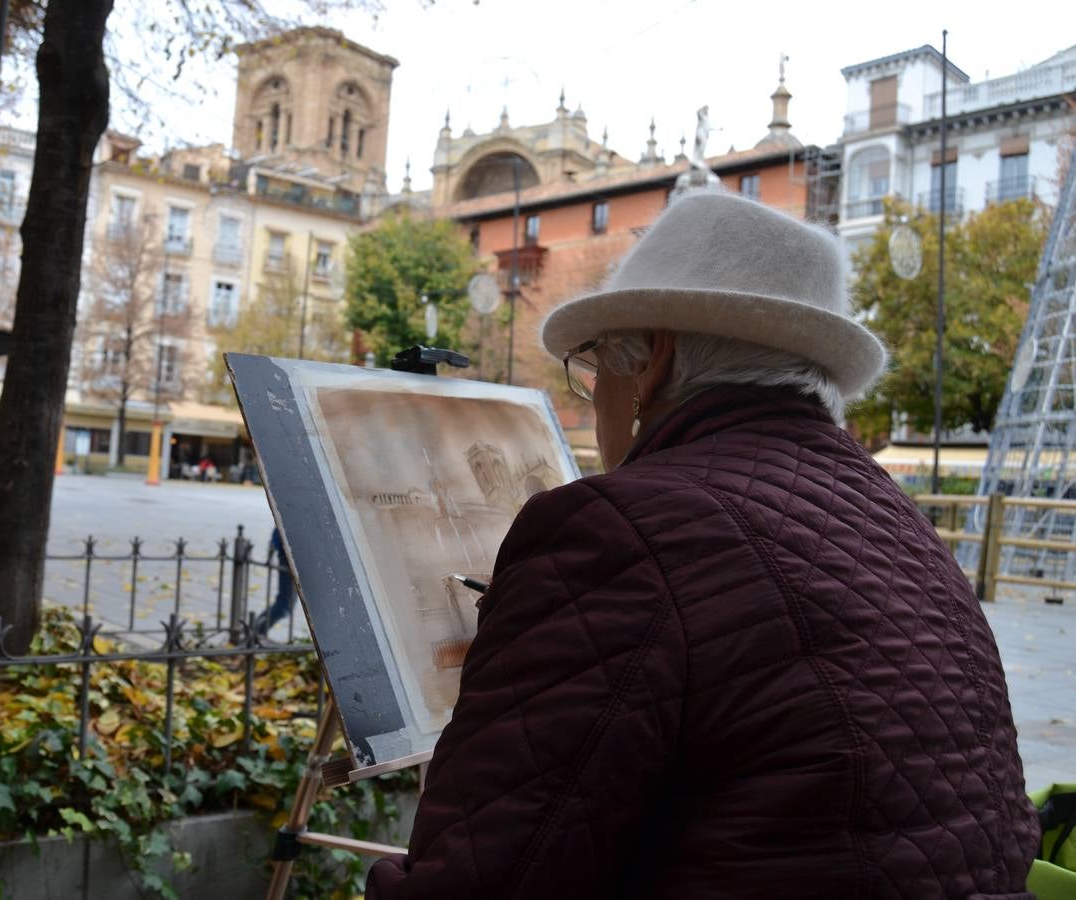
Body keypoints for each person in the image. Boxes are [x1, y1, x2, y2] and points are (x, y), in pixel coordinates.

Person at [366, 192, 1038, 898]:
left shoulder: (619, 527)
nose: (594, 396)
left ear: (650, 361)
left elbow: (483, 877)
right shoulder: (895, 517)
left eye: (594, 365)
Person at [253, 528, 295, 638]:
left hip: (290, 557)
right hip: (288, 559)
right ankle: (257, 633)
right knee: (284, 607)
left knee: (285, 605)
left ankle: (255, 630)